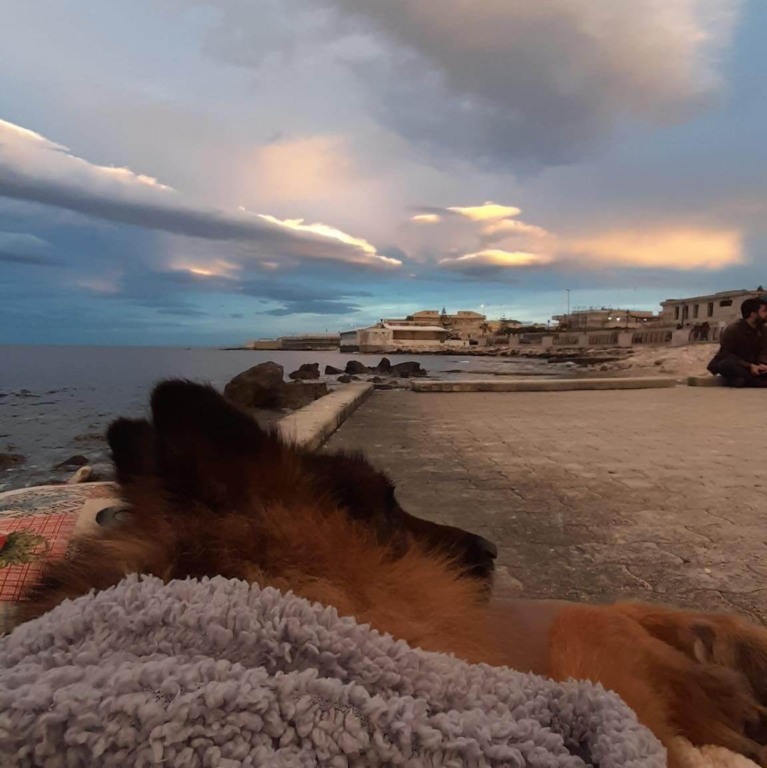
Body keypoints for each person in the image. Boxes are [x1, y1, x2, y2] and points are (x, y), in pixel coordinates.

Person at [707, 297, 767, 386]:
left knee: (747, 376)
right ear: (753, 314)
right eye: (764, 311)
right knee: (728, 364)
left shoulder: (763, 330)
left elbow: (764, 351)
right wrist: (749, 366)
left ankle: (743, 381)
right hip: (738, 365)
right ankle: (755, 382)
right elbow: (725, 354)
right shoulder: (733, 330)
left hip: (755, 367)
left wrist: (763, 364)